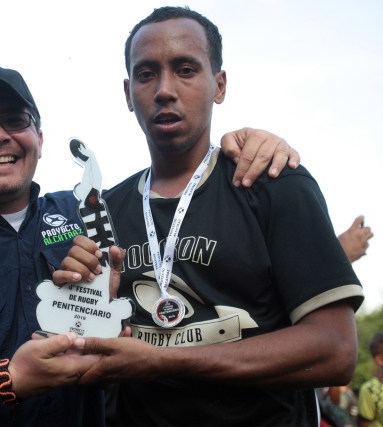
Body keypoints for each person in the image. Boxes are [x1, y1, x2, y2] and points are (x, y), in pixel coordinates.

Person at [0, 59, 299, 426]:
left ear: (39, 136)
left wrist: (249, 142)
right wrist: (10, 379)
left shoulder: (96, 213)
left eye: (14, 119)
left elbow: (184, 196)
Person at [53, 6, 365, 426]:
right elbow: (89, 361)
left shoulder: (273, 183)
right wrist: (93, 311)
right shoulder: (103, 212)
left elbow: (334, 351)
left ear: (219, 85)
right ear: (128, 93)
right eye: (146, 74)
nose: (165, 89)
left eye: (185, 69)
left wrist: (164, 361)